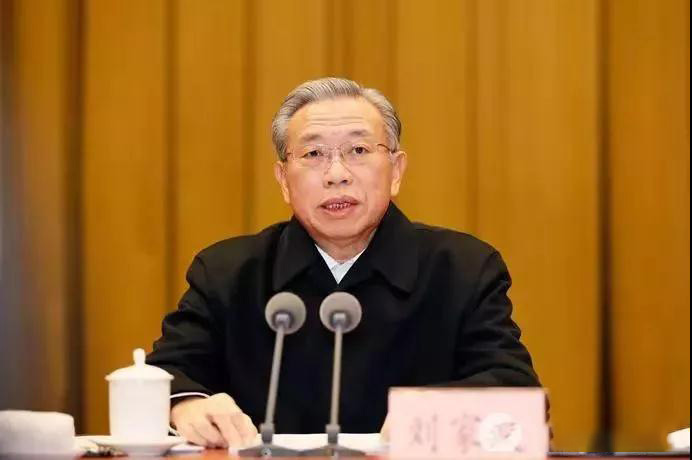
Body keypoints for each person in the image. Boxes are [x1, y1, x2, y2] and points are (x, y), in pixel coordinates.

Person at [147, 77, 541, 448]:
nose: (337, 175)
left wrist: (432, 414)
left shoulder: (462, 269)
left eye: (359, 151)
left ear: (396, 171)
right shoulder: (228, 272)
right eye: (314, 154)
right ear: (283, 180)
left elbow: (515, 388)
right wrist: (187, 405)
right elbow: (164, 377)